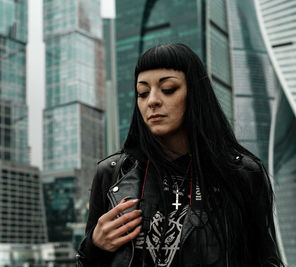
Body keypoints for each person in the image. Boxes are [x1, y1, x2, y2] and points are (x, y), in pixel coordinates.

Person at [76, 43, 284, 267]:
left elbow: (265, 260)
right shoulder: (113, 173)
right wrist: (93, 248)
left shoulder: (242, 174)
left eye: (168, 89)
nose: (152, 101)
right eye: (142, 93)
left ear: (194, 94)